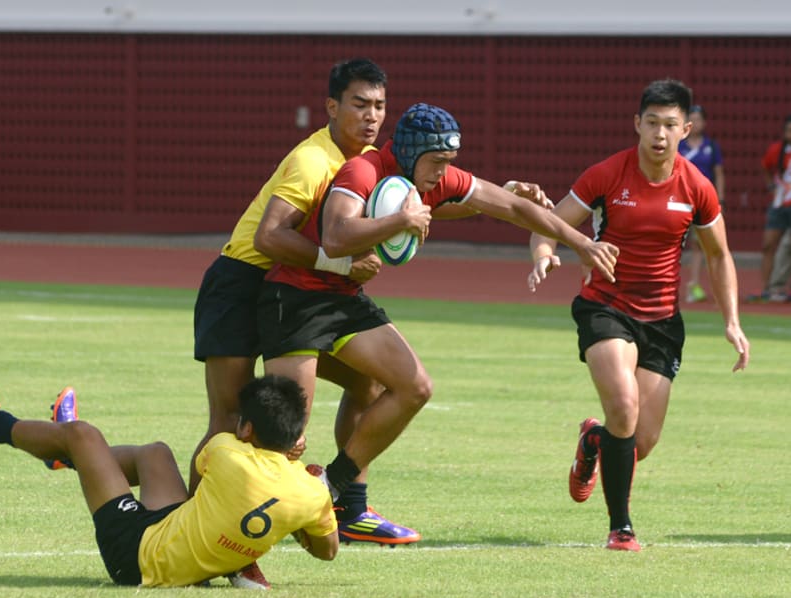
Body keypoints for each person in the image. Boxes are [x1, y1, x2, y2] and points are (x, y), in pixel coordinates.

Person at [255, 102, 620, 522]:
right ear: (411, 152)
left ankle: (335, 487)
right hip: (295, 299)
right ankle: (241, 540)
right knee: (284, 436)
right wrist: (402, 221)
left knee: (415, 387)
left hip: (343, 298)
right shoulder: (364, 171)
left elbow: (514, 207)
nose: (443, 172)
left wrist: (581, 243)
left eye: (450, 161)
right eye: (438, 161)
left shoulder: (433, 176)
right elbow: (336, 237)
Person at [192, 59, 419, 556]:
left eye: (380, 106)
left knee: (368, 381)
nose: (372, 116)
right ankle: (198, 534)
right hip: (241, 283)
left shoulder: (372, 163)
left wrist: (503, 194)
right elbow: (268, 237)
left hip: (299, 292)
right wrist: (339, 268)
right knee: (231, 422)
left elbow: (431, 190)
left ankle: (348, 504)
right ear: (332, 107)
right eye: (359, 104)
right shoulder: (314, 160)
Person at [528, 79, 750, 551]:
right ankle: (621, 527)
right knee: (624, 408)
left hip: (663, 321)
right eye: (652, 123)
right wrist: (545, 251)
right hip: (605, 308)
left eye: (671, 125)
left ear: (686, 129)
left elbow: (719, 255)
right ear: (637, 124)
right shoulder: (607, 174)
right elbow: (548, 223)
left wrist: (731, 320)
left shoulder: (697, 186)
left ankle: (593, 443)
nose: (660, 134)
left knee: (638, 443)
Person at [0, 364, 338, 588]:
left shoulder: (226, 450)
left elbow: (205, 472)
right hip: (172, 530)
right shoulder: (311, 491)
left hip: (137, 554)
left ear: (247, 429)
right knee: (155, 453)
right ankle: (70, 456)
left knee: (82, 434)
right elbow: (327, 551)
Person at [678, 104, 725, 303]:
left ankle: (694, 284)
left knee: (702, 246)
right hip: (679, 202)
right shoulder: (679, 146)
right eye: (692, 119)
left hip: (703, 204)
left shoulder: (711, 147)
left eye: (699, 119)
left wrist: (720, 199)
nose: (696, 123)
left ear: (704, 122)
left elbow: (719, 174)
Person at [747, 114, 791, 302]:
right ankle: (767, 288)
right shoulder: (777, 150)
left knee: (786, 247)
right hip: (779, 204)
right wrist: (771, 187)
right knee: (768, 245)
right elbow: (765, 166)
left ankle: (778, 287)